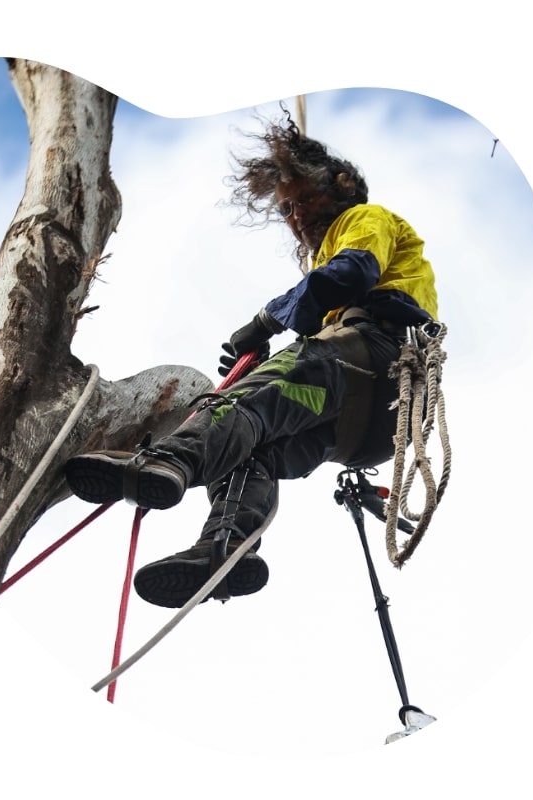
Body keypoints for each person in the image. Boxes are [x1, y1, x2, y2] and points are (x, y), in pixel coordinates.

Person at [64, 111, 438, 608]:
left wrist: (265, 322)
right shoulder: (325, 254)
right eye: (287, 208)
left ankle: (167, 462)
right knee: (251, 446)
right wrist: (279, 330)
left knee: (243, 403)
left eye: (305, 199)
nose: (298, 216)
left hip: (370, 362)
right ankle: (225, 549)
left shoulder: (362, 220)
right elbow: (325, 290)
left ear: (342, 189)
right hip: (371, 426)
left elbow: (348, 275)